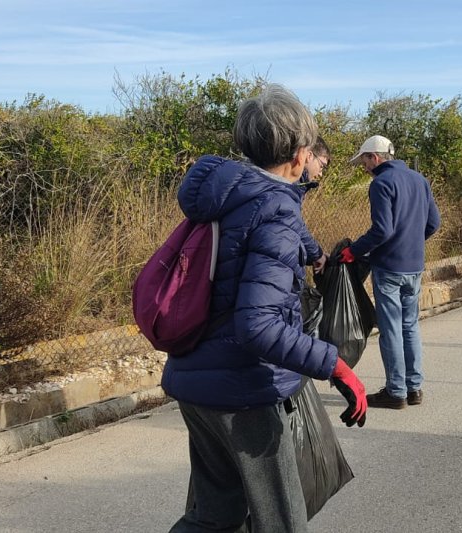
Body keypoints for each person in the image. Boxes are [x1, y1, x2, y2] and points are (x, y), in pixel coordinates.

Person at [163, 84, 367, 533]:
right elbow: (257, 325)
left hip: (194, 376)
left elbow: (262, 243)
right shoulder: (274, 208)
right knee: (280, 521)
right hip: (242, 390)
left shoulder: (227, 193)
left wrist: (310, 251)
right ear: (299, 155)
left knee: (213, 518)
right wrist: (335, 366)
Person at [341, 135, 441, 409]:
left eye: (364, 160)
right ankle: (414, 388)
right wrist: (412, 242)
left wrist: (354, 251)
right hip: (414, 265)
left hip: (389, 266)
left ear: (375, 157)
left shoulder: (381, 184)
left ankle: (395, 391)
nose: (363, 166)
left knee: (391, 329)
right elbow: (434, 222)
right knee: (410, 325)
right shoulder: (419, 180)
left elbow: (382, 230)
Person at [297, 135, 332, 274]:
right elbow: (295, 224)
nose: (321, 174)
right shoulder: (291, 184)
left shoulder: (299, 185)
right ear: (309, 155)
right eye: (321, 166)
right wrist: (316, 254)